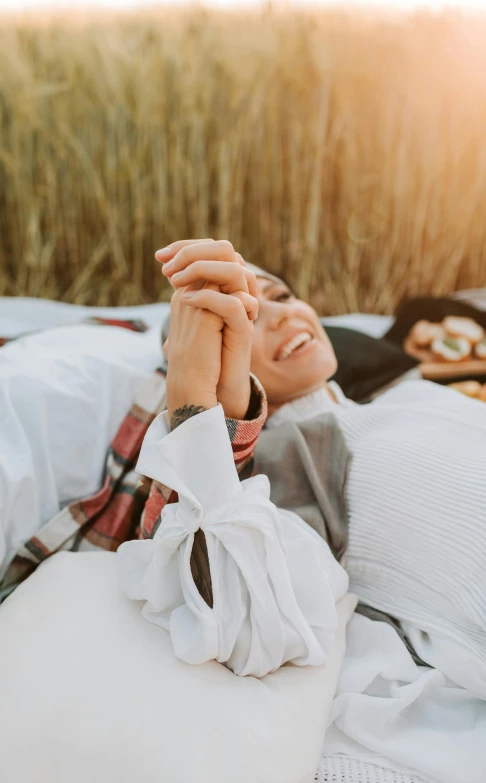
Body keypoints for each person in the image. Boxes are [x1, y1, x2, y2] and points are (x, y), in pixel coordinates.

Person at [120, 237, 486, 691]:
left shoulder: (414, 394)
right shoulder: (290, 463)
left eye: (282, 296)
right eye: (246, 317)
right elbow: (233, 607)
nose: (281, 315)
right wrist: (196, 398)